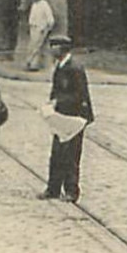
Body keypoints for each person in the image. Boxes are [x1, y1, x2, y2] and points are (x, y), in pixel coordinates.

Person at [43, 35, 94, 202]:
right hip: (61, 117)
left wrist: (59, 101)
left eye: (54, 46)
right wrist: (51, 103)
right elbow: (56, 89)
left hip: (74, 118)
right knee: (57, 153)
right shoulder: (60, 66)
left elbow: (80, 95)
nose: (51, 50)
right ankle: (53, 189)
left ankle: (72, 191)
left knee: (71, 155)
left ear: (62, 48)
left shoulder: (75, 68)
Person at [26, 0, 55, 71]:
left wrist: (46, 29)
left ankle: (33, 65)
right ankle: (33, 64)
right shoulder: (34, 5)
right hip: (33, 28)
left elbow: (50, 19)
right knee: (34, 47)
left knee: (37, 47)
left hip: (41, 29)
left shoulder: (44, 5)